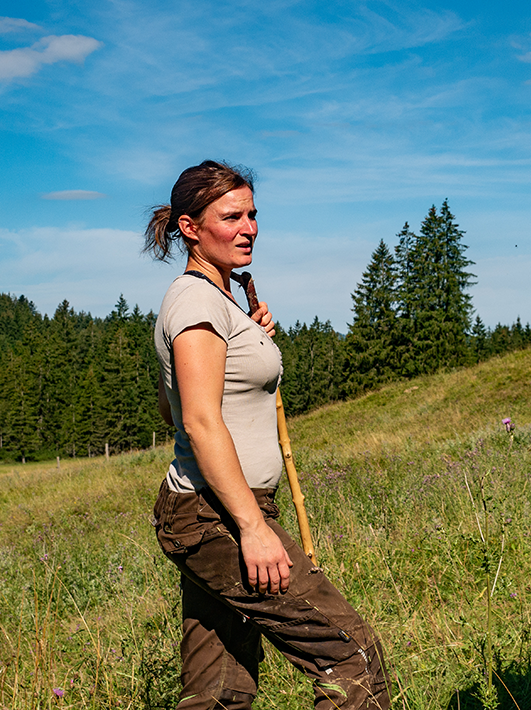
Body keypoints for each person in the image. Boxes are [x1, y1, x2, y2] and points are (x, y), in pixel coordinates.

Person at [144, 160, 389, 710]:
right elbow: (198, 422)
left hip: (216, 509)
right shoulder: (197, 302)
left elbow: (171, 405)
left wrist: (246, 338)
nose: (249, 227)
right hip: (219, 514)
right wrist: (253, 529)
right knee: (353, 660)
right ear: (190, 228)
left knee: (219, 690)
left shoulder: (213, 304)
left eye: (253, 214)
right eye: (231, 216)